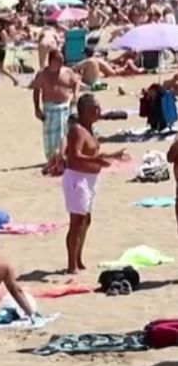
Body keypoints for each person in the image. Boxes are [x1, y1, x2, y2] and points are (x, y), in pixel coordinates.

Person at [63, 94, 127, 273]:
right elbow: (74, 156)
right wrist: (97, 160)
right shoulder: (77, 130)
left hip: (89, 178)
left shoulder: (89, 129)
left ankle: (78, 258)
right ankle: (71, 264)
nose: (99, 111)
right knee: (76, 221)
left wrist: (112, 156)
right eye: (95, 108)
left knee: (86, 220)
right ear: (84, 111)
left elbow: (91, 155)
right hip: (77, 178)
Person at [32, 49, 80, 161]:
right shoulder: (43, 74)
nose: (61, 62)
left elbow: (76, 82)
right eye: (59, 60)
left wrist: (75, 95)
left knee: (65, 134)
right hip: (50, 108)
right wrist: (37, 108)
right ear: (51, 61)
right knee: (50, 135)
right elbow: (36, 90)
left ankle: (63, 156)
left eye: (62, 60)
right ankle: (51, 158)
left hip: (65, 107)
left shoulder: (67, 72)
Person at [0, 18, 19, 88]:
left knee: (0, 68)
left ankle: (14, 79)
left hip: (0, 51)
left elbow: (4, 43)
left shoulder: (2, 32)